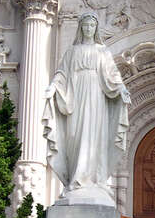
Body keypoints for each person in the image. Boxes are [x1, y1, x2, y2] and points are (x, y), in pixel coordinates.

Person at [42, 13, 131, 197]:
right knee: (75, 135)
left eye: (91, 26)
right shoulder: (72, 52)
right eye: (85, 26)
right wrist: (52, 88)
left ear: (96, 28)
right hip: (76, 97)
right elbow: (62, 74)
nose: (88, 29)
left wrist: (121, 89)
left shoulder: (102, 51)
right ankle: (76, 178)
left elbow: (112, 74)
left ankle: (97, 180)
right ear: (81, 28)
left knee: (95, 137)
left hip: (96, 97)